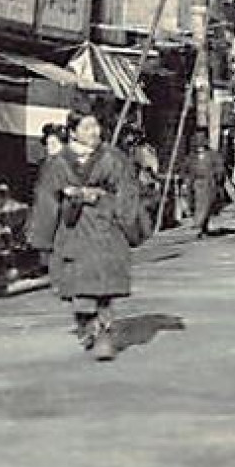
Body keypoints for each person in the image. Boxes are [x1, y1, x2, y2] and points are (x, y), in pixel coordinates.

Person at [26, 110, 149, 361]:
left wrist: (124, 217)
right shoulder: (58, 163)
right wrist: (43, 240)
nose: (94, 132)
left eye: (96, 126)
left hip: (105, 226)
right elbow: (46, 201)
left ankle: (104, 334)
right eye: (86, 128)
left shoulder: (113, 158)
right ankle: (86, 325)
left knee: (104, 285)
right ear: (73, 132)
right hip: (73, 228)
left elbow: (127, 190)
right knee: (79, 285)